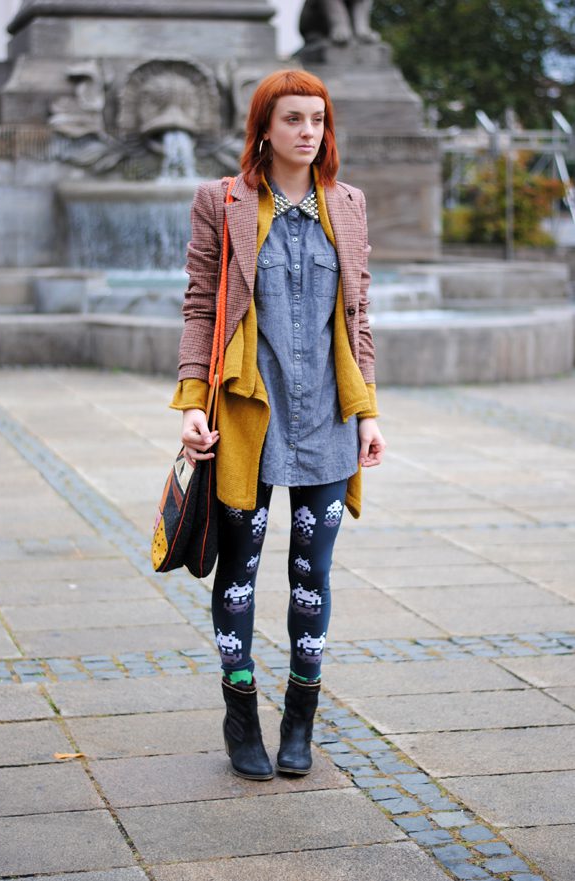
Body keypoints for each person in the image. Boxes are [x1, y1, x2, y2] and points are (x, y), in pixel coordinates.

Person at [170, 69, 386, 781]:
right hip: (245, 421)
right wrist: (193, 400)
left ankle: (301, 719)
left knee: (310, 578)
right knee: (240, 572)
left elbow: (359, 319)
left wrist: (368, 414)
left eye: (318, 120)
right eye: (293, 119)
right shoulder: (223, 202)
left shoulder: (347, 205)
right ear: (264, 127)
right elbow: (202, 304)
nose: (308, 132)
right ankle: (241, 716)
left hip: (326, 419)